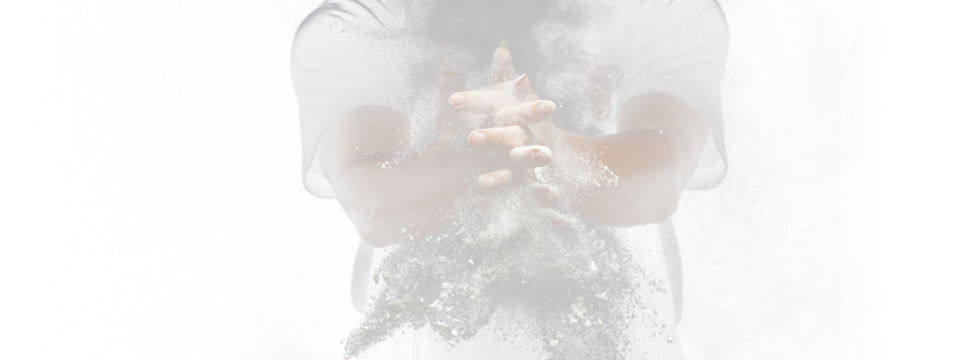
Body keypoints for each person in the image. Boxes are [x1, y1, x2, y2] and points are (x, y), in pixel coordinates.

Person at [291, 0, 728, 358]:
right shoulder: (357, 23)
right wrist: (463, 156)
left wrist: (542, 147)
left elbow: (663, 174)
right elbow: (370, 203)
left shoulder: (662, 11)